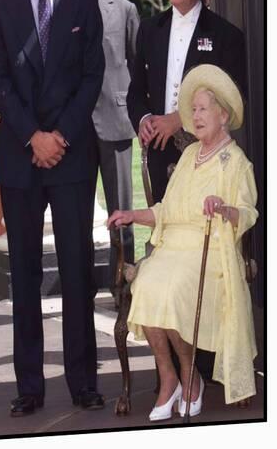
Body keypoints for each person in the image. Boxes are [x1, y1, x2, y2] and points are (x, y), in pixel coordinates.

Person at [0, 0, 105, 417]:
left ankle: (84, 383)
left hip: (71, 158)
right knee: (26, 275)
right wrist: (33, 135)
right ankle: (28, 387)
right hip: (21, 157)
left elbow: (91, 74)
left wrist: (61, 136)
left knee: (77, 273)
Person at [108, 64, 258, 421]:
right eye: (193, 109)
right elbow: (165, 211)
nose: (196, 115)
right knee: (146, 285)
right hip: (171, 246)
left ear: (223, 115)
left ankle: (191, 379)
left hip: (207, 248)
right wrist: (131, 215)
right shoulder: (189, 155)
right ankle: (169, 377)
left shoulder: (235, 162)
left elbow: (249, 212)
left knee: (172, 290)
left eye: (203, 108)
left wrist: (224, 209)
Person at [127, 0, 246, 205]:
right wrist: (144, 118)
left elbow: (235, 100)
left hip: (208, 152)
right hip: (158, 152)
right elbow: (135, 91)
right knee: (164, 231)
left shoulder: (226, 36)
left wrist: (180, 119)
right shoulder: (149, 30)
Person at [70, 0, 139, 296]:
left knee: (121, 214)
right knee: (76, 215)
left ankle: (123, 289)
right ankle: (80, 290)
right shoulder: (58, 7)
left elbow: (136, 65)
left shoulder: (124, 9)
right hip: (74, 128)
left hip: (116, 122)